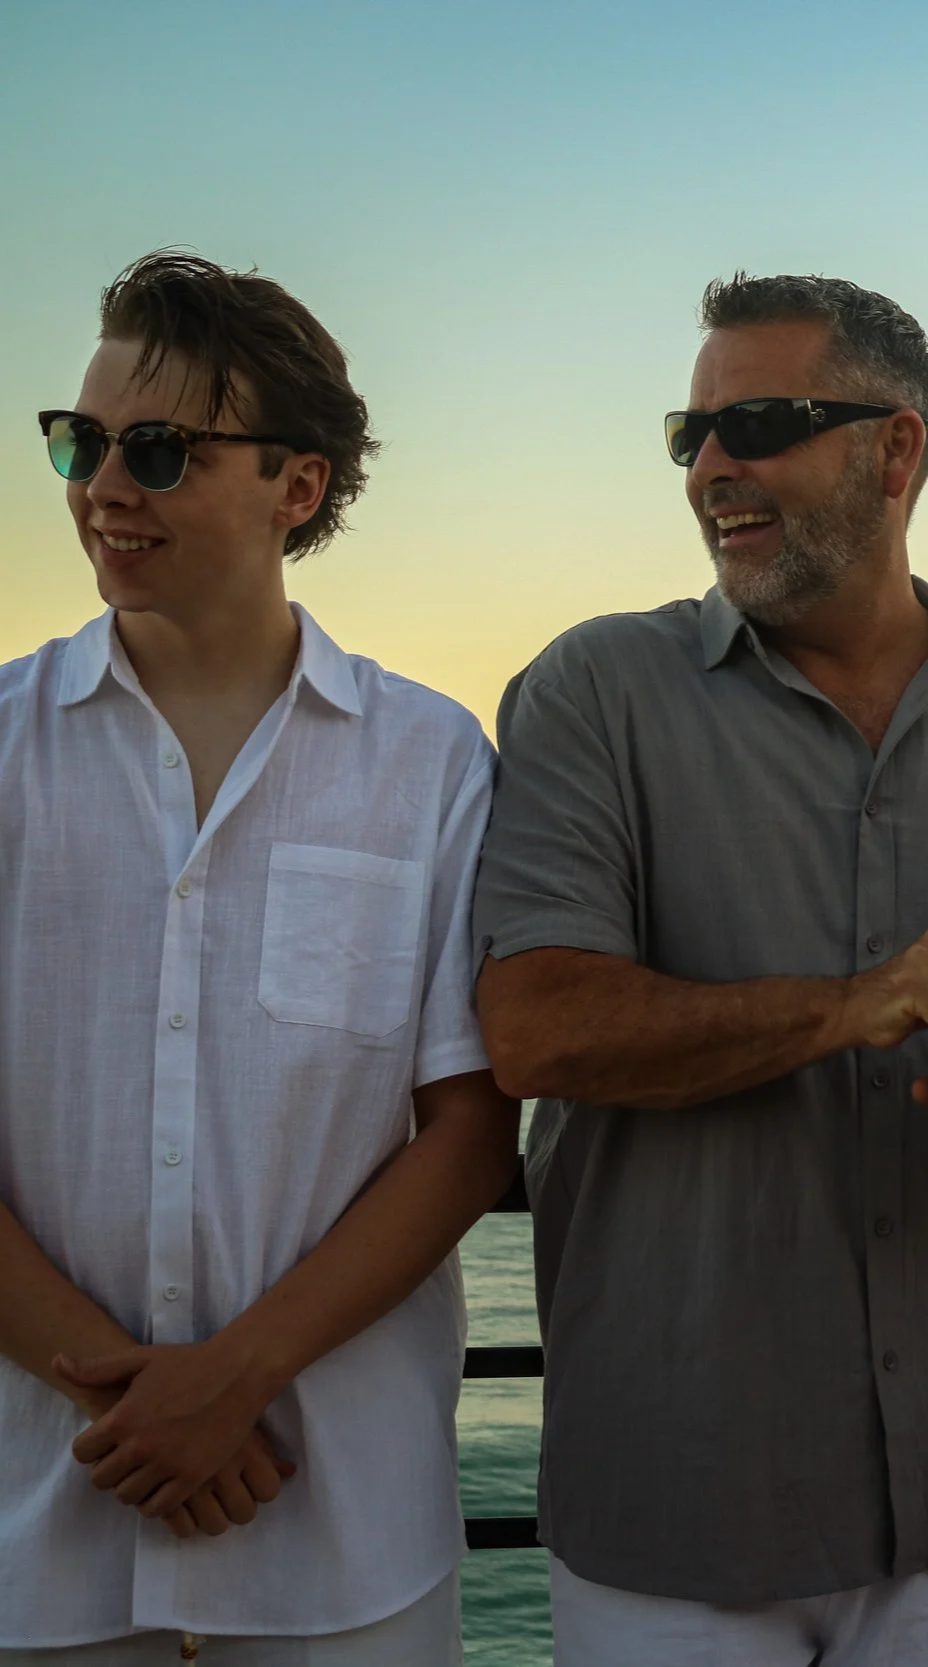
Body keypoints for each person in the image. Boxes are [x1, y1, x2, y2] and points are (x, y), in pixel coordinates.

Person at [472, 272, 928, 1666]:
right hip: (680, 1490)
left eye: (761, 424)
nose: (713, 467)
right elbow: (536, 1028)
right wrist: (853, 1006)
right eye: (693, 436)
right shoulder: (594, 693)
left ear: (894, 448)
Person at [0, 252, 520, 1664]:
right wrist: (132, 1404)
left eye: (158, 448)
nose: (104, 483)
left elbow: (467, 1133)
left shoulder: (430, 763)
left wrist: (234, 1378)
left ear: (297, 487)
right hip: (38, 1534)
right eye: (80, 439)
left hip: (339, 1529)